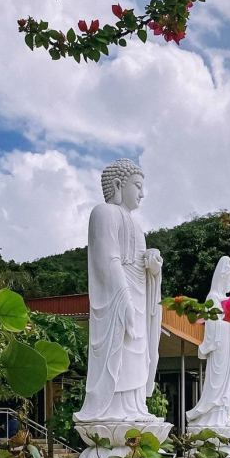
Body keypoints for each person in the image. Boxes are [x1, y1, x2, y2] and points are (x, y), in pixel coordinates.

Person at [73, 158, 163, 422]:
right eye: (137, 185)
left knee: (138, 354)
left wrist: (152, 264)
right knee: (119, 352)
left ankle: (134, 407)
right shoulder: (103, 213)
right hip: (117, 295)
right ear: (117, 184)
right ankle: (112, 409)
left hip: (137, 293)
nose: (142, 193)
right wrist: (122, 295)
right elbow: (107, 259)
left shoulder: (137, 225)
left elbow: (140, 264)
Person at [186, 256, 230, 427]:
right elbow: (212, 324)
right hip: (219, 348)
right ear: (221, 278)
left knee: (228, 382)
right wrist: (229, 323)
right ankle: (211, 417)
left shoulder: (226, 300)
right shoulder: (213, 297)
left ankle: (224, 416)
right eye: (229, 279)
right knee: (217, 383)